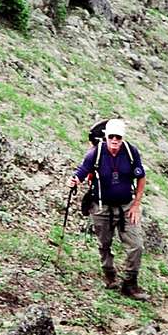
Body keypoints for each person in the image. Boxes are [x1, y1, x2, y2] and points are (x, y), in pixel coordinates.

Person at [69, 118, 147, 299]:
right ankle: (109, 274)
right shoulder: (95, 154)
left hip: (127, 207)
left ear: (122, 138)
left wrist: (136, 204)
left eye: (118, 137)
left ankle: (130, 283)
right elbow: (82, 171)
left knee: (136, 246)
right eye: (111, 137)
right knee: (104, 243)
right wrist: (74, 179)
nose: (114, 141)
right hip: (101, 207)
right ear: (105, 137)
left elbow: (141, 177)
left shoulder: (130, 152)